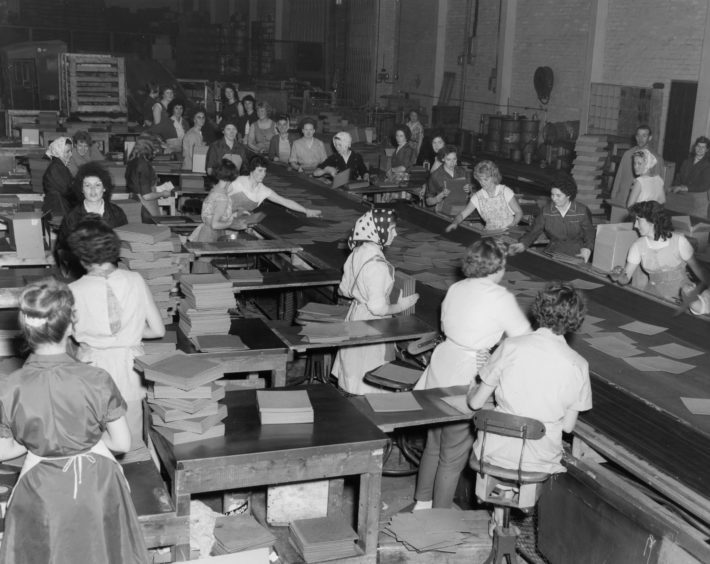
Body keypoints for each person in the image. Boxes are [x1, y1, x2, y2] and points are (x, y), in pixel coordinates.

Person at [0, 278, 149, 564]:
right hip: (99, 487)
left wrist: (40, 442)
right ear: (71, 325)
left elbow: (4, 451)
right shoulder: (97, 379)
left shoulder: (10, 386)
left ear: (26, 330)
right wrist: (84, 440)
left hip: (40, 490)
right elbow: (121, 442)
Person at [413, 239, 531, 510]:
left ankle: (421, 502)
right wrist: (492, 358)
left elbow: (445, 324)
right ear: (498, 266)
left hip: (440, 367)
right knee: (453, 454)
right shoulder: (500, 297)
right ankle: (438, 518)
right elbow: (523, 342)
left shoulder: (456, 287)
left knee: (434, 442)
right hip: (467, 375)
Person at [468, 282, 592, 531]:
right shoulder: (578, 364)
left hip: (491, 453)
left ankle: (499, 510)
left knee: (504, 451)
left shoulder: (511, 346)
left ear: (539, 310)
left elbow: (474, 403)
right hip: (538, 459)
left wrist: (476, 381)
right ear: (576, 321)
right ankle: (512, 506)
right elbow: (568, 426)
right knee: (534, 452)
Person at [68, 220, 166, 451]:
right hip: (130, 369)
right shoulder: (135, 280)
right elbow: (158, 330)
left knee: (91, 439)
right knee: (130, 442)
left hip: (91, 371)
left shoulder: (73, 290)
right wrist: (128, 331)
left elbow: (67, 334)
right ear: (114, 250)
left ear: (81, 257)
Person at [331, 209, 419, 395]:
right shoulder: (378, 265)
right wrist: (401, 306)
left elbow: (344, 290)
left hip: (355, 316)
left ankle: (349, 402)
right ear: (378, 230)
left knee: (352, 369)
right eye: (392, 229)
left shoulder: (357, 252)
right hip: (372, 325)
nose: (395, 233)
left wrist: (362, 293)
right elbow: (378, 308)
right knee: (370, 375)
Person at [610, 201, 710, 314]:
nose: (635, 225)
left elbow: (699, 270)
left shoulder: (679, 241)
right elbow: (625, 279)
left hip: (682, 295)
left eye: (638, 220)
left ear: (652, 221)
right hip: (653, 295)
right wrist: (617, 276)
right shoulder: (637, 246)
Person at [55, 162, 128, 278]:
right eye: (87, 185)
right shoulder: (72, 217)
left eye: (97, 185)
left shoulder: (117, 214)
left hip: (112, 273)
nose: (93, 190)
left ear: (104, 188)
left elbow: (124, 246)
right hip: (82, 273)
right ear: (81, 189)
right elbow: (63, 250)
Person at [509, 172, 595, 262]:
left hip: (577, 254)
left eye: (558, 195)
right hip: (553, 253)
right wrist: (522, 244)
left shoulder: (582, 211)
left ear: (569, 195)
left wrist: (588, 248)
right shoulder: (547, 211)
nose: (554, 198)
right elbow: (534, 231)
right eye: (552, 194)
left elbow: (589, 233)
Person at [229, 156, 322, 218]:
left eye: (265, 171)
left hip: (236, 221)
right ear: (251, 170)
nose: (263, 174)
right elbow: (216, 197)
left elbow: (285, 201)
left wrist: (306, 211)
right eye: (260, 171)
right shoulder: (238, 182)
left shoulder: (263, 190)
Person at [446, 160, 523, 232]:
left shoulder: (505, 191)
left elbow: (519, 212)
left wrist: (512, 226)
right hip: (490, 233)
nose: (482, 183)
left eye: (486, 179)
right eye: (480, 180)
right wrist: (455, 223)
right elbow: (462, 215)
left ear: (494, 177)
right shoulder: (477, 197)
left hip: (509, 231)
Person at [190, 160, 248, 243]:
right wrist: (234, 225)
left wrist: (236, 213)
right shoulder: (222, 198)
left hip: (207, 234)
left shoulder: (215, 190)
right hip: (211, 238)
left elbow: (216, 213)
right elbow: (215, 224)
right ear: (231, 179)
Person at [610, 124, 664, 208]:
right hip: (622, 199)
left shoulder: (655, 158)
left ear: (650, 138)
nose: (640, 139)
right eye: (638, 135)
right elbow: (619, 176)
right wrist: (613, 196)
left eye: (644, 136)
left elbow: (658, 185)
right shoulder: (628, 154)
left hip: (642, 204)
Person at [125, 138, 173, 221]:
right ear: (148, 150)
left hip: (134, 202)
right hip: (145, 208)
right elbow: (147, 196)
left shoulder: (132, 162)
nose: (155, 152)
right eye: (154, 150)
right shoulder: (144, 165)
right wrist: (162, 193)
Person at [668, 136, 710, 217]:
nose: (700, 149)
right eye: (698, 146)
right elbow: (679, 177)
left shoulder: (708, 165)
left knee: (693, 224)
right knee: (678, 221)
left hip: (698, 200)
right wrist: (673, 186)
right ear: (695, 147)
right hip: (683, 197)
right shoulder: (686, 162)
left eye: (703, 147)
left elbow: (704, 186)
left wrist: (684, 188)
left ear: (707, 150)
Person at [424, 145, 469, 210]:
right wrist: (439, 197)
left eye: (454, 159)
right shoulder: (435, 175)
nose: (452, 163)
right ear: (443, 159)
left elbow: (468, 194)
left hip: (460, 207)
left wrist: (468, 189)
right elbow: (428, 202)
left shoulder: (462, 171)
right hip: (443, 209)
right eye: (448, 159)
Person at [42, 136, 76, 218]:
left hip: (61, 206)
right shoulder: (56, 169)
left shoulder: (60, 166)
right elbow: (67, 191)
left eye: (71, 151)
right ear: (59, 152)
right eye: (67, 152)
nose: (70, 154)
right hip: (58, 210)